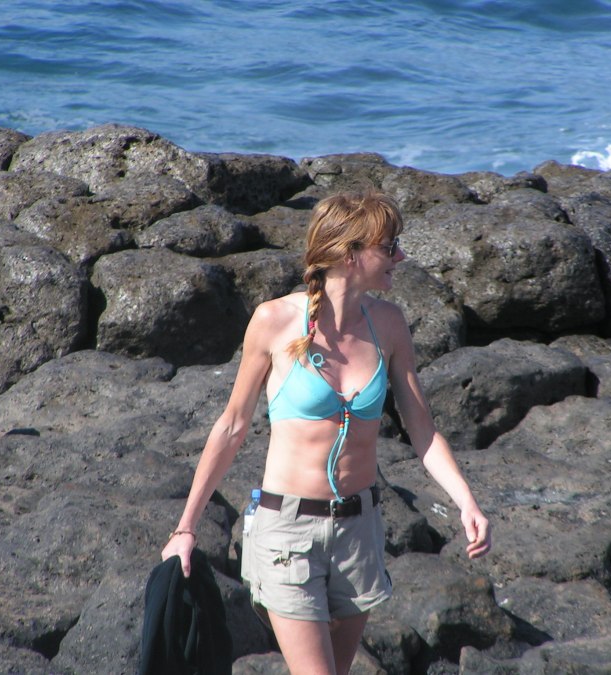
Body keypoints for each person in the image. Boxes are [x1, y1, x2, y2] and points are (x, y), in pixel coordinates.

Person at [162, 190, 491, 675]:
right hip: (287, 532)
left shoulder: (389, 324)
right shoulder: (274, 321)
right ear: (350, 254)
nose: (400, 256)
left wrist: (467, 502)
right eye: (389, 246)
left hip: (359, 531)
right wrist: (185, 529)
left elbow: (423, 431)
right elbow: (232, 426)